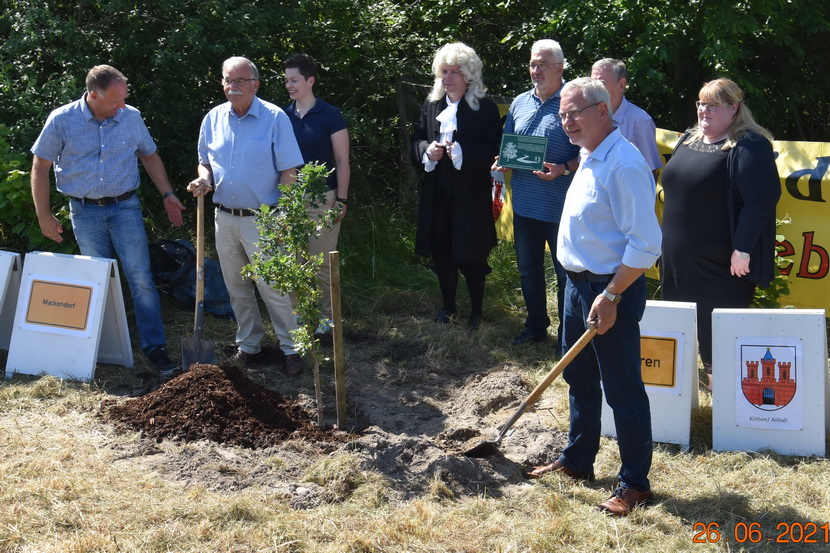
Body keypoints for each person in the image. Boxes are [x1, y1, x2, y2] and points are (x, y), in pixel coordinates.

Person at [525, 77, 662, 517]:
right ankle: (578, 460)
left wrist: (611, 295)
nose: (566, 122)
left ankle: (634, 483)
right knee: (579, 377)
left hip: (610, 290)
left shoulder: (623, 163)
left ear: (602, 111)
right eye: (562, 115)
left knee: (622, 388)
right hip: (576, 286)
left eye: (574, 113)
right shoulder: (588, 155)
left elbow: (644, 245)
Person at [31, 64, 186, 375]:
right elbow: (40, 166)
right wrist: (44, 215)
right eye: (115, 101)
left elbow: (149, 155)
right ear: (92, 96)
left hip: (125, 208)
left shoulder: (131, 116)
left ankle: (155, 347)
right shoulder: (62, 120)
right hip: (84, 212)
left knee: (141, 279)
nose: (122, 106)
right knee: (95, 281)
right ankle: (95, 348)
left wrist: (167, 193)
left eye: (124, 99)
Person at [187, 56, 305, 376]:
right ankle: (249, 344)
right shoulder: (213, 118)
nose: (233, 86)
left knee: (273, 287)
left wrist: (281, 216)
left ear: (255, 84)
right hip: (224, 218)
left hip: (263, 218)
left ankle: (292, 348)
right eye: (228, 80)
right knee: (236, 286)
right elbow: (205, 163)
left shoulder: (274, 117)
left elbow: (289, 170)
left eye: (240, 81)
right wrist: (204, 179)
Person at [660, 78, 780, 391]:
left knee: (718, 339)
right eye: (701, 103)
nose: (705, 110)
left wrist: (743, 248)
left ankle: (725, 403)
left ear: (734, 108)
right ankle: (682, 399)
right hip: (678, 262)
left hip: (721, 267)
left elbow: (761, 199)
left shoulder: (749, 143)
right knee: (681, 332)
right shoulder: (688, 137)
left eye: (714, 105)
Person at [493, 39, 580, 347]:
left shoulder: (574, 101)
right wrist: (501, 161)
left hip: (562, 208)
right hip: (525, 206)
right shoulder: (519, 102)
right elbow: (508, 144)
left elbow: (592, 152)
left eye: (542, 64)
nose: (536, 70)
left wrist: (564, 168)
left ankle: (566, 336)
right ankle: (535, 327)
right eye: (532, 64)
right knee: (529, 272)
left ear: (560, 68)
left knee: (566, 276)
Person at [410, 43, 502, 330]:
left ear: (469, 76)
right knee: (442, 252)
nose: (447, 78)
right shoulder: (432, 104)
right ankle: (448, 307)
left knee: (473, 254)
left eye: (454, 72)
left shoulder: (484, 108)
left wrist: (464, 152)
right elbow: (415, 139)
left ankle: (477, 312)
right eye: (443, 72)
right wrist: (427, 151)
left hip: (470, 195)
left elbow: (493, 148)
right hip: (437, 192)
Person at [283, 53, 350, 336]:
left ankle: (328, 322)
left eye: (294, 80)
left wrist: (342, 200)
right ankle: (300, 323)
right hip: (289, 201)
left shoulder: (331, 115)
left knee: (321, 265)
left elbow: (342, 161)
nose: (289, 85)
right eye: (286, 80)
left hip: (324, 199)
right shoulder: (282, 115)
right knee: (293, 264)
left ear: (310, 80)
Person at [590, 58, 662, 179]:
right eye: (592, 83)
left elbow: (650, 172)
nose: (594, 89)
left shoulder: (639, 121)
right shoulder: (589, 116)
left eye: (601, 83)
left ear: (621, 85)